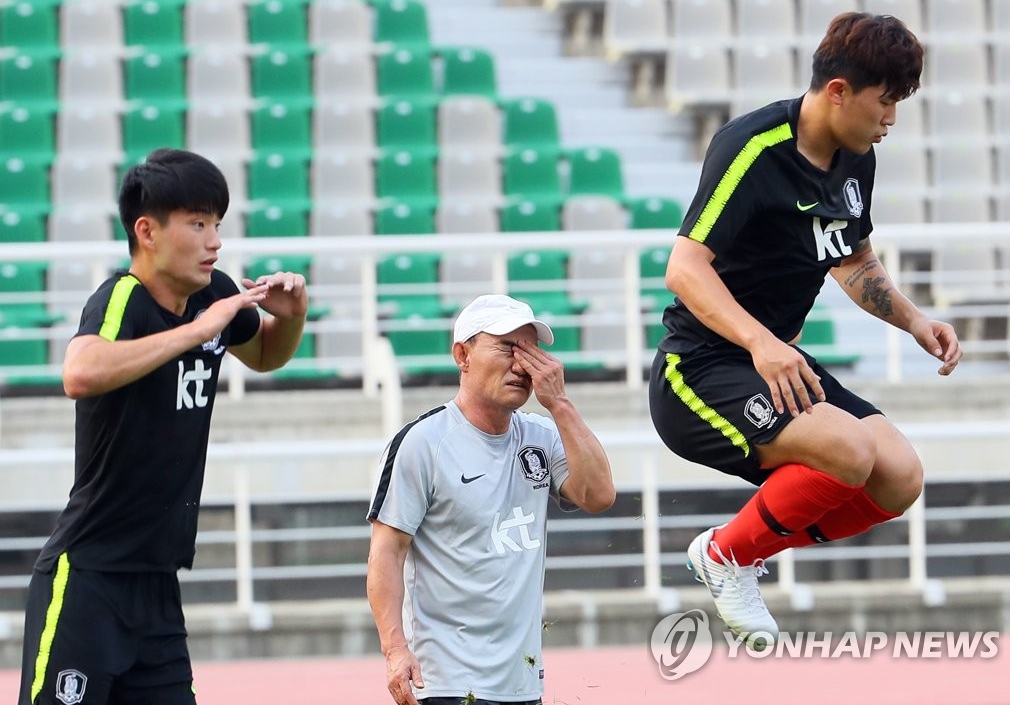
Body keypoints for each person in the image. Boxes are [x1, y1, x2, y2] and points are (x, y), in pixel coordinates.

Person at [648, 12, 962, 649]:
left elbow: (852, 260)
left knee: (899, 476)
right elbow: (683, 268)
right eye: (885, 101)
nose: (892, 119)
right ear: (839, 90)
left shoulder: (856, 157)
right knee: (849, 452)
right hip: (699, 368)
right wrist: (763, 343)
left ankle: (737, 549)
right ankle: (728, 556)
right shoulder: (751, 147)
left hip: (775, 359)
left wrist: (914, 320)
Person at [18, 149, 309, 705]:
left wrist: (291, 316)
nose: (215, 240)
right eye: (198, 223)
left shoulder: (215, 292)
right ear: (147, 231)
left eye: (218, 224)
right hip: (86, 580)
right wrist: (198, 331)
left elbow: (267, 355)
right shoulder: (122, 296)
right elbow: (79, 372)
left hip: (157, 584)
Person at [366, 294, 616, 705]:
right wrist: (395, 652)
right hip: (445, 682)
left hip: (522, 683)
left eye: (530, 350)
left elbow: (600, 496)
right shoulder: (423, 442)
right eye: (507, 347)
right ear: (462, 356)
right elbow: (386, 553)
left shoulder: (541, 434)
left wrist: (559, 404)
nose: (522, 364)